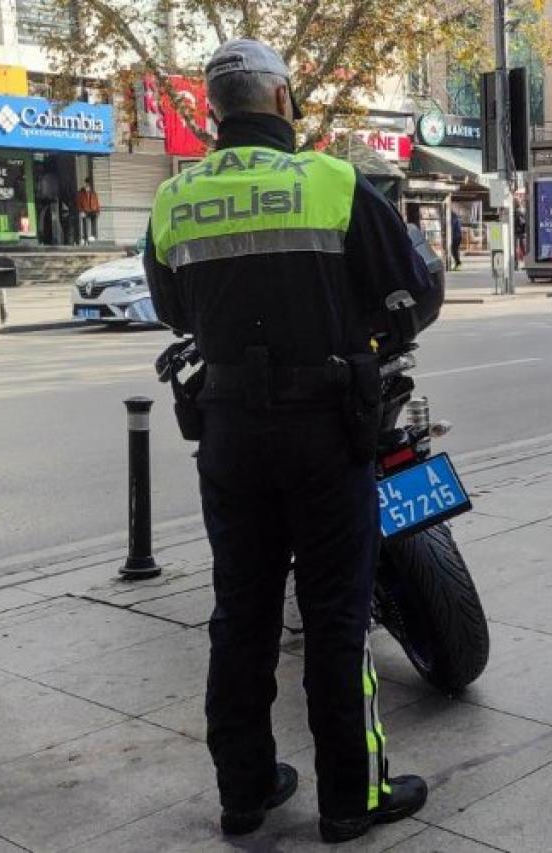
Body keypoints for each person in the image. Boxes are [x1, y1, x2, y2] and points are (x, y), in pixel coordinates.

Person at [143, 39, 439, 844]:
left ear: (213, 110)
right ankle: (352, 796)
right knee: (337, 615)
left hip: (230, 433)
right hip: (325, 428)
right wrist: (359, 332)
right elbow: (417, 293)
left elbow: (174, 309)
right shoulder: (333, 180)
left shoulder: (175, 196)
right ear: (282, 101)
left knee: (240, 614)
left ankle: (246, 791)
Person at [77, 179, 100, 244]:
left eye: (89, 185)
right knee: (85, 225)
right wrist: (81, 211)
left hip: (93, 210)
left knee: (94, 224)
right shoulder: (81, 193)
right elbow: (78, 203)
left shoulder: (93, 193)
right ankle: (85, 238)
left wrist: (98, 211)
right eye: (86, 184)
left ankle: (94, 237)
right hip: (85, 210)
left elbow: (97, 202)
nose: (87, 186)